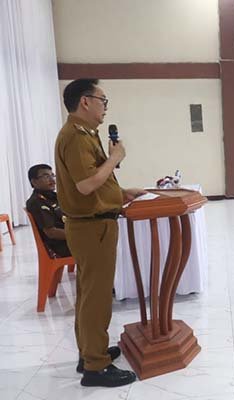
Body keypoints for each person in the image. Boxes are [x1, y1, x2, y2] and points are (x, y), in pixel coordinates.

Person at [55, 79, 144, 387]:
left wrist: (120, 193)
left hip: (92, 224)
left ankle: (89, 352)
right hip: (92, 228)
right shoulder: (76, 137)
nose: (105, 107)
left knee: (89, 294)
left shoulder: (83, 133)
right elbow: (85, 185)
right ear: (85, 101)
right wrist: (115, 158)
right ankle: (96, 366)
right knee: (97, 297)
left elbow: (93, 182)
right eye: (103, 100)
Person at [25, 164, 70, 257]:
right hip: (60, 246)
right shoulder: (37, 202)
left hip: (68, 238)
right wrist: (78, 235)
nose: (52, 180)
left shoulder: (52, 196)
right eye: (46, 176)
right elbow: (51, 232)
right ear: (34, 182)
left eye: (52, 175)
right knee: (98, 243)